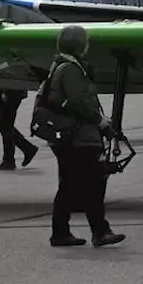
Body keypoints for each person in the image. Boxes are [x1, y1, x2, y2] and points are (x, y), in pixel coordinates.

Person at [45, 25, 125, 248]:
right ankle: (99, 231)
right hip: (79, 138)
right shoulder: (71, 69)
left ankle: (62, 232)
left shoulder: (60, 66)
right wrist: (100, 122)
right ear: (80, 45)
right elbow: (80, 102)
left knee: (70, 186)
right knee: (92, 185)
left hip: (70, 138)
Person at [0, 87, 38, 170]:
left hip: (10, 91)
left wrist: (5, 91)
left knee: (5, 124)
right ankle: (27, 148)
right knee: (2, 124)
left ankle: (10, 159)